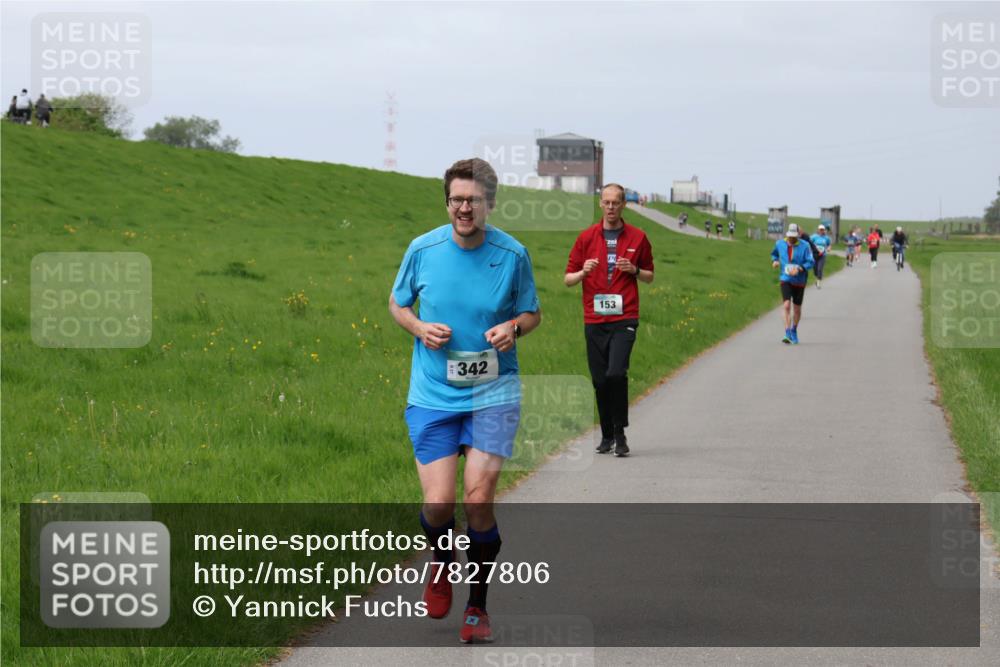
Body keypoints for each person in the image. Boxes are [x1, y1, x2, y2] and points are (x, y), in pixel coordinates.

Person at [389, 157, 542, 643]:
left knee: (477, 499)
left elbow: (532, 312)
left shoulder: (512, 254)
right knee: (439, 505)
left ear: (490, 204)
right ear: (447, 202)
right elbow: (398, 303)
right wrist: (418, 327)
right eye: (456, 199)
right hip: (433, 395)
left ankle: (477, 606)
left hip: (494, 394)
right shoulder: (423, 249)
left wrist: (513, 328)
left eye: (473, 200)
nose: (463, 208)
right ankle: (440, 556)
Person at [565, 183, 654, 458]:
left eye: (616, 202)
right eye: (607, 202)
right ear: (600, 204)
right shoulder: (586, 238)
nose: (611, 207)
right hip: (594, 318)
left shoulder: (638, 237)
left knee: (616, 373)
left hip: (625, 316)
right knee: (600, 380)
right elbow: (567, 279)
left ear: (624, 204)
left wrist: (635, 270)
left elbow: (650, 275)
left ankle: (620, 432)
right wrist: (582, 272)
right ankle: (605, 434)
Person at [770, 223, 814, 344]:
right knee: (786, 306)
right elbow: (774, 254)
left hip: (799, 281)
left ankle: (794, 329)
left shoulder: (805, 246)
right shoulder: (780, 244)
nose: (792, 239)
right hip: (786, 279)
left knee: (797, 309)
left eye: (794, 237)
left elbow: (811, 261)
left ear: (798, 236)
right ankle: (787, 332)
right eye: (790, 237)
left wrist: (800, 268)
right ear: (787, 235)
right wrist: (775, 261)